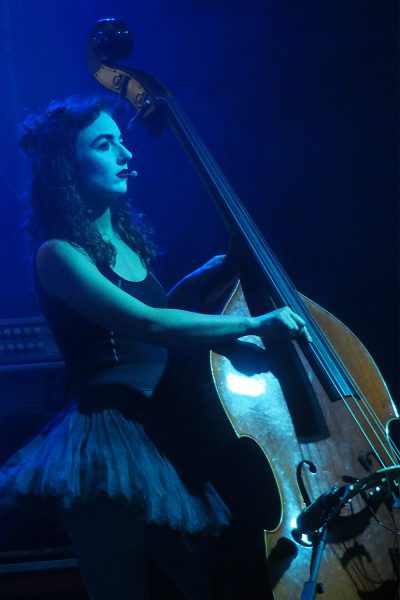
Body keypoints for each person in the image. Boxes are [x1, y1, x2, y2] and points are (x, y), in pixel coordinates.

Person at [0, 95, 310, 599]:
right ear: (66, 165)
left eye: (122, 142)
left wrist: (206, 275)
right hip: (105, 437)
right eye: (104, 144)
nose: (125, 154)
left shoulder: (124, 243)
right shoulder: (58, 254)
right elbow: (147, 323)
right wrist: (249, 325)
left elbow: (158, 308)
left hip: (157, 425)